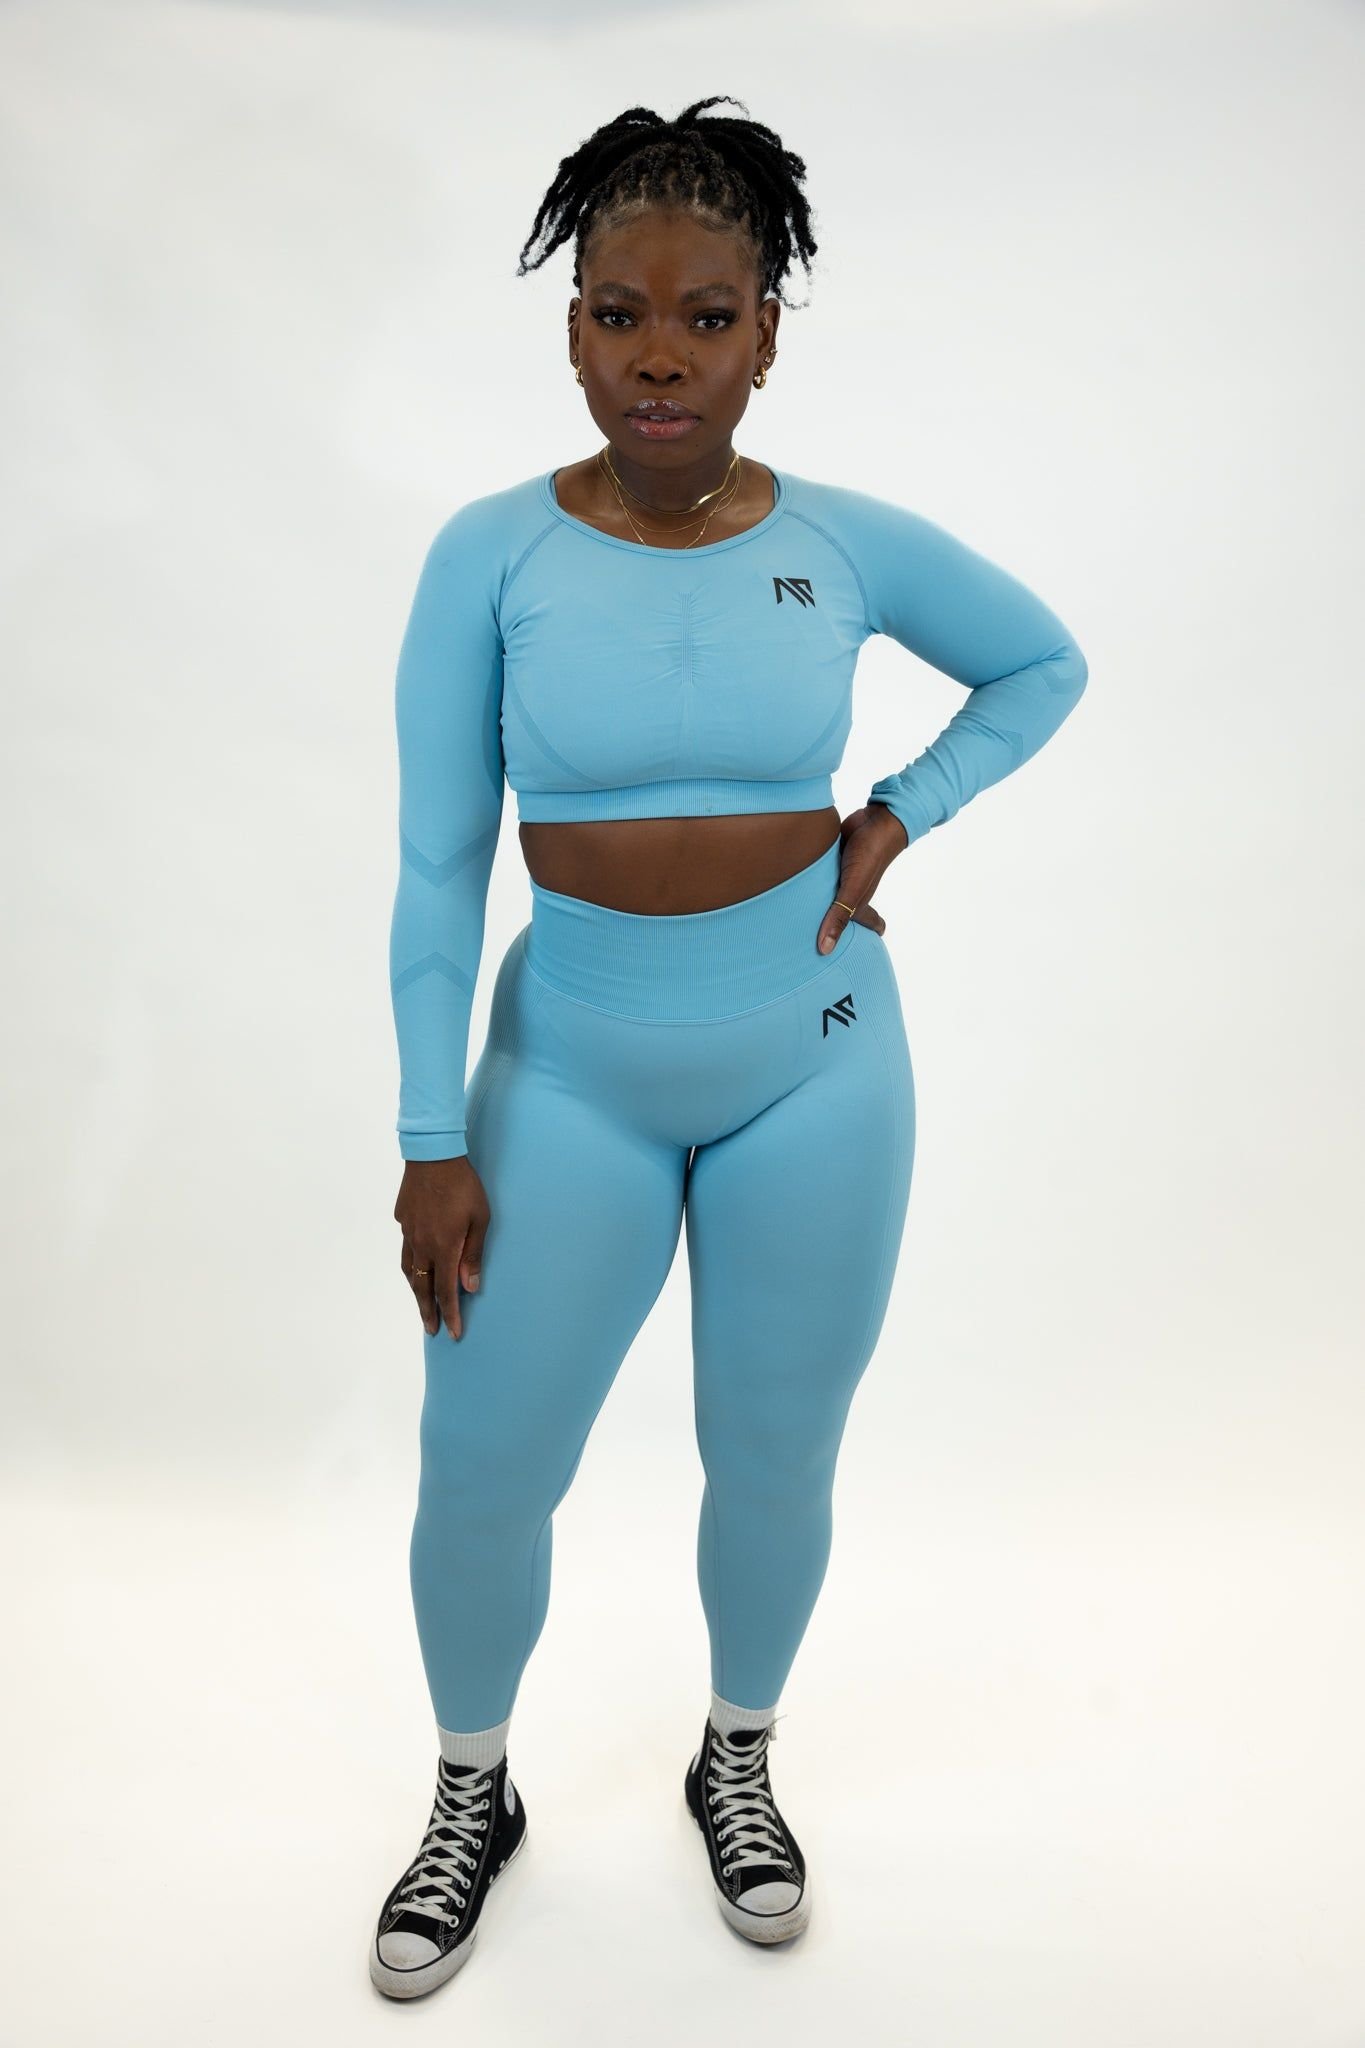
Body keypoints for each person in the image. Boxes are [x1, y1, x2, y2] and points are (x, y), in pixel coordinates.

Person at [369, 96, 1088, 1999]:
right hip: (569, 1076)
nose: (661, 358)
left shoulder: (842, 543)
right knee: (480, 1464)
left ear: (768, 333)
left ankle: (737, 1759)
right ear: (572, 331)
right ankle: (469, 1790)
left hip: (815, 1058)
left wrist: (897, 814)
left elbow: (1042, 662)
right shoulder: (486, 556)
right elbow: (438, 867)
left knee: (771, 1455)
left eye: (706, 318)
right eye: (620, 316)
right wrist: (432, 1135)